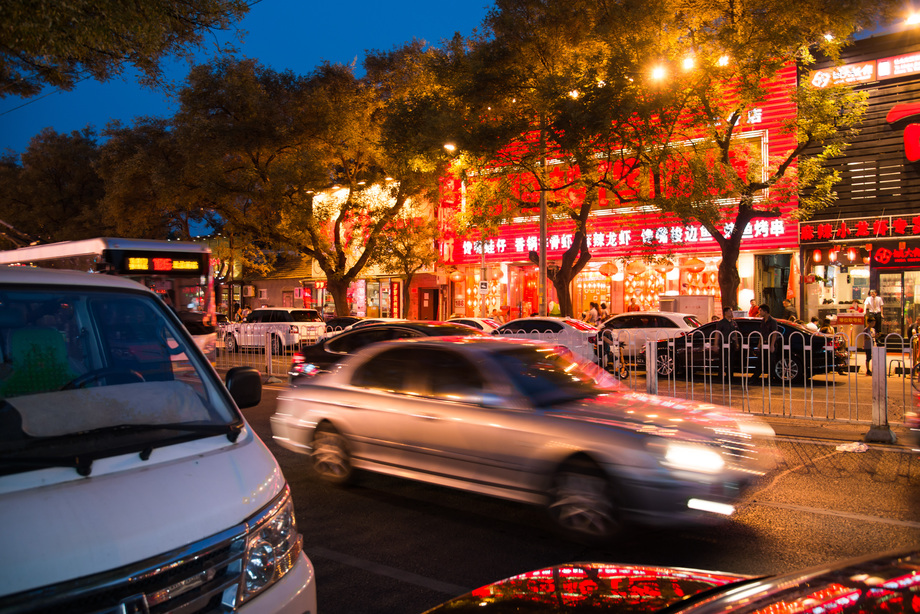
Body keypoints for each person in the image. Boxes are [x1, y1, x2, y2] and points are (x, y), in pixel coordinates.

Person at [749, 304, 779, 383]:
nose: (759, 312)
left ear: (765, 311)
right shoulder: (762, 321)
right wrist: (759, 343)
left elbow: (774, 333)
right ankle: (755, 377)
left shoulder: (773, 321)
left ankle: (771, 378)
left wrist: (772, 345)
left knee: (771, 362)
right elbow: (761, 333)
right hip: (764, 343)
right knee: (760, 361)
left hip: (770, 344)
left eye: (761, 311)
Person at [714, 306, 741, 381]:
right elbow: (717, 333)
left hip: (731, 344)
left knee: (731, 360)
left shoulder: (733, 322)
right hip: (724, 343)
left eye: (731, 311)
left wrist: (737, 343)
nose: (731, 313)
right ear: (725, 313)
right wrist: (716, 344)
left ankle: (730, 377)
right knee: (723, 361)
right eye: (730, 311)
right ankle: (720, 377)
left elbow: (735, 333)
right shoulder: (721, 323)